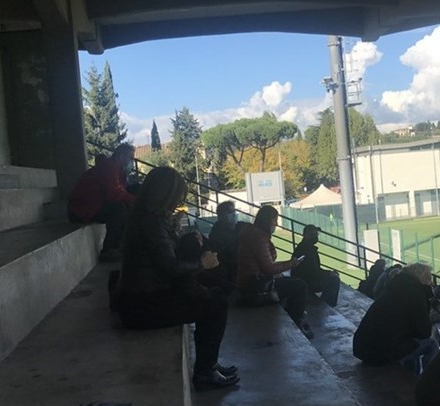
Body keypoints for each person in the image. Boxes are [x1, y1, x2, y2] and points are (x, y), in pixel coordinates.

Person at [115, 167, 238, 391]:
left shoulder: (145, 217)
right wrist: (203, 263)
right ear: (166, 195)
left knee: (211, 292)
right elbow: (170, 267)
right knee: (217, 302)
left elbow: (164, 256)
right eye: (177, 196)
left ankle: (209, 365)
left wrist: (185, 237)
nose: (179, 202)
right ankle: (206, 371)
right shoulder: (150, 222)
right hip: (142, 306)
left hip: (138, 299)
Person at [235, 205, 312, 338]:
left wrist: (286, 265)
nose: (276, 224)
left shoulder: (253, 234)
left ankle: (296, 320)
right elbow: (268, 268)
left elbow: (265, 265)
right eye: (275, 220)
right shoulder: (258, 238)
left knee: (288, 282)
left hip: (249, 284)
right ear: (268, 220)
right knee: (300, 286)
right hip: (255, 288)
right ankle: (297, 324)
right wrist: (291, 264)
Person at [353, 263, 440, 375]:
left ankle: (412, 375)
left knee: (411, 343)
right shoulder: (415, 293)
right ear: (422, 278)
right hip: (378, 352)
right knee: (431, 344)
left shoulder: (394, 287)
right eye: (429, 278)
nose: (432, 283)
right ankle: (431, 380)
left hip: (363, 347)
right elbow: (424, 332)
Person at [68, 143, 136, 262]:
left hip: (94, 205)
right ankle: (109, 250)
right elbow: (115, 194)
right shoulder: (108, 167)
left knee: (134, 192)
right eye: (130, 158)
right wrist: (135, 200)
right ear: (121, 156)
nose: (131, 162)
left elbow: (122, 191)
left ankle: (126, 243)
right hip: (80, 210)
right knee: (119, 208)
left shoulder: (118, 170)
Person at [291, 224, 340, 307]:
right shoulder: (308, 250)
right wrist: (329, 273)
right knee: (334, 280)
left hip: (302, 280)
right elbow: (314, 272)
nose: (316, 236)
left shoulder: (303, 247)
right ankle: (327, 306)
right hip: (305, 282)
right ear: (306, 235)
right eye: (313, 234)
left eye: (316, 234)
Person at [207, 200, 240, 286]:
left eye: (234, 211)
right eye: (230, 212)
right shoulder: (217, 233)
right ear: (221, 215)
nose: (234, 214)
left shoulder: (240, 227)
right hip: (228, 273)